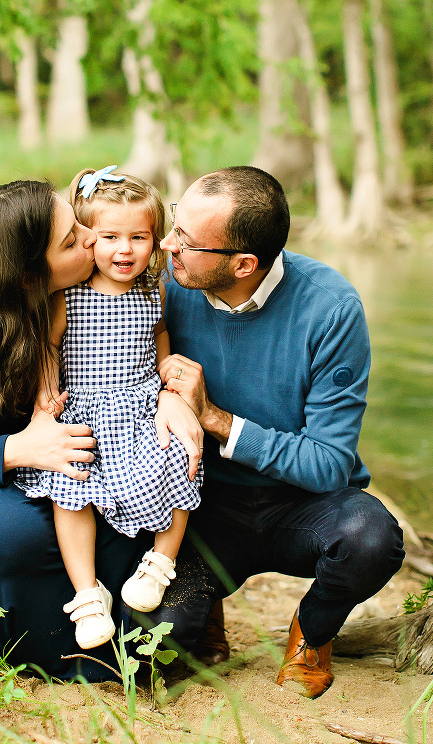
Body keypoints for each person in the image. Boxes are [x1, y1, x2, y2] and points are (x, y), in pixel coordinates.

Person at [0, 179, 201, 680]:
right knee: (10, 539)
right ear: (30, 274)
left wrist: (167, 396)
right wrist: (18, 448)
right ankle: (35, 638)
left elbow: (135, 362)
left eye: (79, 225)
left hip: (66, 459)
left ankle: (128, 623)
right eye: (74, 240)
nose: (92, 239)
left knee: (129, 507)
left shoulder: (80, 296)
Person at [148, 165, 405, 698]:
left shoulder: (331, 308)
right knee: (157, 642)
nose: (167, 244)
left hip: (301, 506)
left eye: (186, 240)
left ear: (244, 264)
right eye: (175, 224)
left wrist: (215, 418)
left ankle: (313, 631)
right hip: (201, 508)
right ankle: (203, 616)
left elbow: (329, 465)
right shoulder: (167, 285)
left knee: (371, 539)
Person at [17, 167, 203, 650]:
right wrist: (45, 397)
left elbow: (160, 334)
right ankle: (87, 593)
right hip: (83, 408)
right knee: (70, 486)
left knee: (180, 460)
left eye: (139, 237)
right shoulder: (69, 293)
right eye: (110, 237)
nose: (125, 250)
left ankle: (160, 562)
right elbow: (48, 346)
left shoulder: (154, 289)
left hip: (139, 406)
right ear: (86, 238)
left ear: (156, 240)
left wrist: (166, 379)